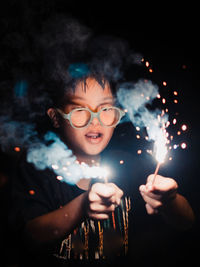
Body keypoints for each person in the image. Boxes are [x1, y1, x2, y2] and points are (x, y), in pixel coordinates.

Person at [8, 18, 196, 267]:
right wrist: (82, 206)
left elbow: (187, 222)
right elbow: (29, 238)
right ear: (56, 117)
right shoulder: (36, 174)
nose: (94, 121)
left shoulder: (130, 167)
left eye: (106, 108)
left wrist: (169, 201)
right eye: (80, 110)